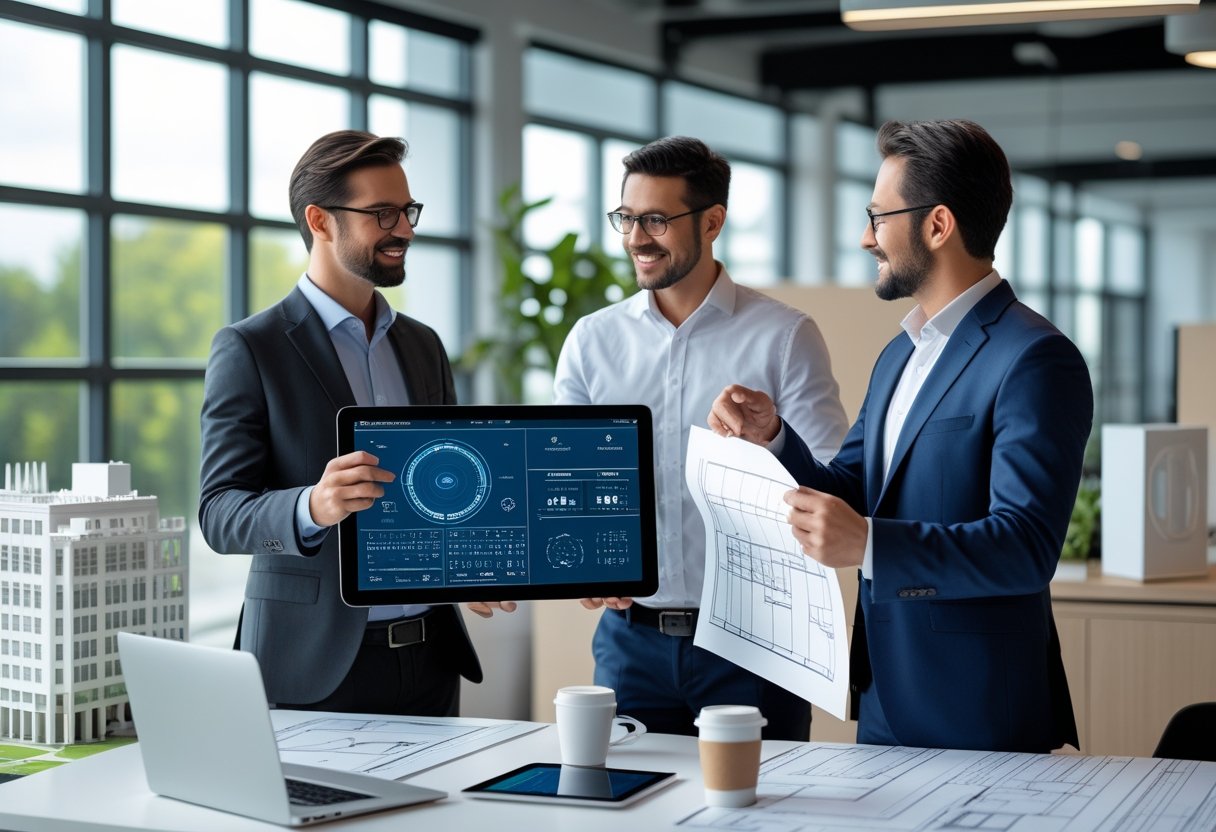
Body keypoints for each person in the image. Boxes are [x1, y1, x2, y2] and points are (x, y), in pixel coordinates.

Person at [709, 119, 1091, 753]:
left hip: (978, 712)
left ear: (937, 225)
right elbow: (850, 486)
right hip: (882, 700)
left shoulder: (1036, 358)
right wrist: (774, 436)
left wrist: (871, 544)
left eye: (878, 217)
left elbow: (1025, 547)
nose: (866, 238)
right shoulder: (900, 354)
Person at [496, 135, 849, 740]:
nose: (636, 237)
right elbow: (559, 486)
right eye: (627, 218)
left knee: (760, 816)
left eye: (656, 219)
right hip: (631, 646)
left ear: (712, 222)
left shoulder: (785, 336)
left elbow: (833, 481)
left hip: (757, 644)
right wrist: (580, 559)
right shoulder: (591, 340)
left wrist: (771, 438)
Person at [199, 130, 488, 716]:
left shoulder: (423, 345)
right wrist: (313, 505)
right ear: (321, 221)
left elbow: (451, 481)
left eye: (407, 210)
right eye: (383, 213)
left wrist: (477, 564)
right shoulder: (250, 348)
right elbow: (219, 513)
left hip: (432, 657)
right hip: (315, 667)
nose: (404, 228)